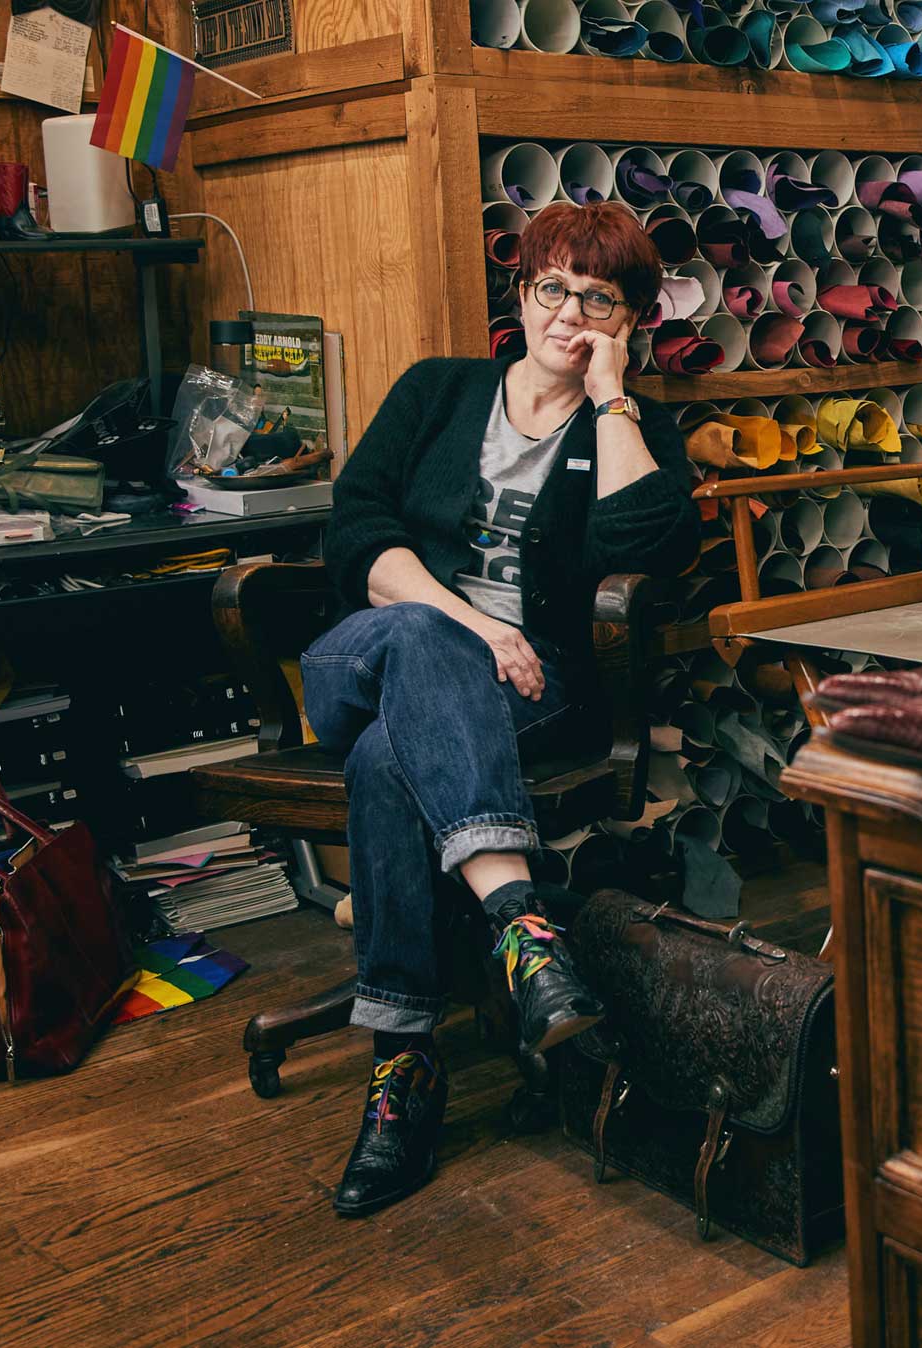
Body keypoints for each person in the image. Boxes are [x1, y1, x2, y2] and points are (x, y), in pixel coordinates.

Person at [302, 201, 697, 1217]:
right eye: (552, 289)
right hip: (370, 651)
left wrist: (612, 400)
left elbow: (645, 552)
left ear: (629, 320)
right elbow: (357, 530)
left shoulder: (635, 428)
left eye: (598, 300)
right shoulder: (437, 391)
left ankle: (402, 1069)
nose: (569, 314)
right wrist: (472, 627)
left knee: (387, 762)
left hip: (525, 693)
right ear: (519, 295)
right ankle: (522, 928)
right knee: (421, 640)